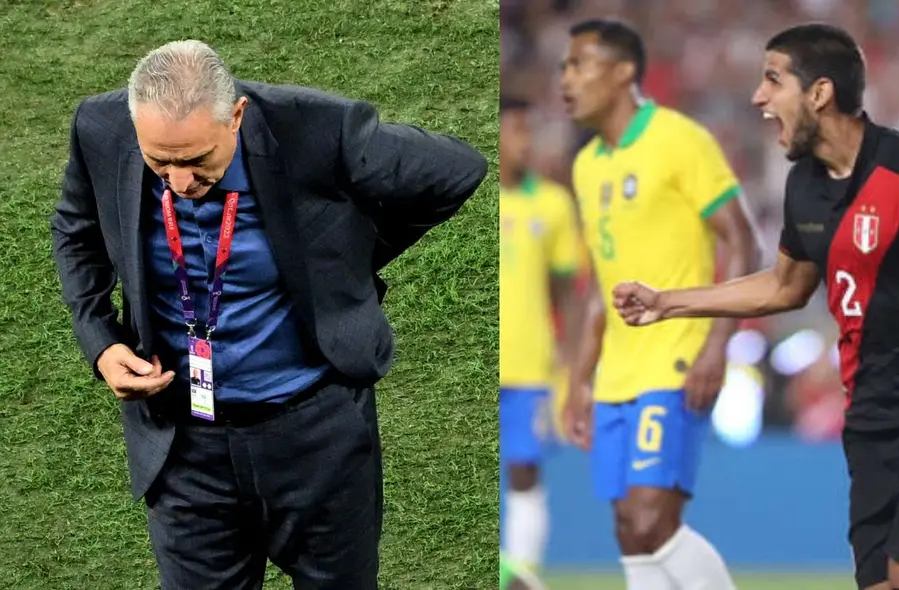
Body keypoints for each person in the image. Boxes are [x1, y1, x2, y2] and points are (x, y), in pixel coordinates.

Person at [49, 39, 487, 589]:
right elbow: (75, 229)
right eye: (158, 161)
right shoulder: (101, 127)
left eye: (194, 160)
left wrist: (344, 262)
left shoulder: (318, 128)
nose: (179, 184)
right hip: (182, 448)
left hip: (315, 440)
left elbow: (456, 169)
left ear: (236, 115)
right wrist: (101, 339)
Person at [612, 23, 899, 590]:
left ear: (819, 93)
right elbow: (784, 286)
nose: (758, 98)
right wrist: (669, 302)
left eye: (773, 80)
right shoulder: (805, 188)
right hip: (868, 417)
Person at [559, 18, 757, 590]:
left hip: (675, 355)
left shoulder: (678, 139)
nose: (566, 79)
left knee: (651, 517)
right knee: (628, 528)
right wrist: (578, 380)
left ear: (623, 73)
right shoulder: (586, 164)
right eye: (564, 67)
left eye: (580, 64)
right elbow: (603, 284)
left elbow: (742, 240)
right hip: (618, 370)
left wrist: (717, 346)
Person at [498, 95, 587, 590]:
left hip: (530, 364)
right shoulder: (469, 197)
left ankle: (522, 575)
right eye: (514, 131)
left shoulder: (552, 204)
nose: (523, 142)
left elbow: (568, 296)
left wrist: (571, 365)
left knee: (525, 469)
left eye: (527, 131)